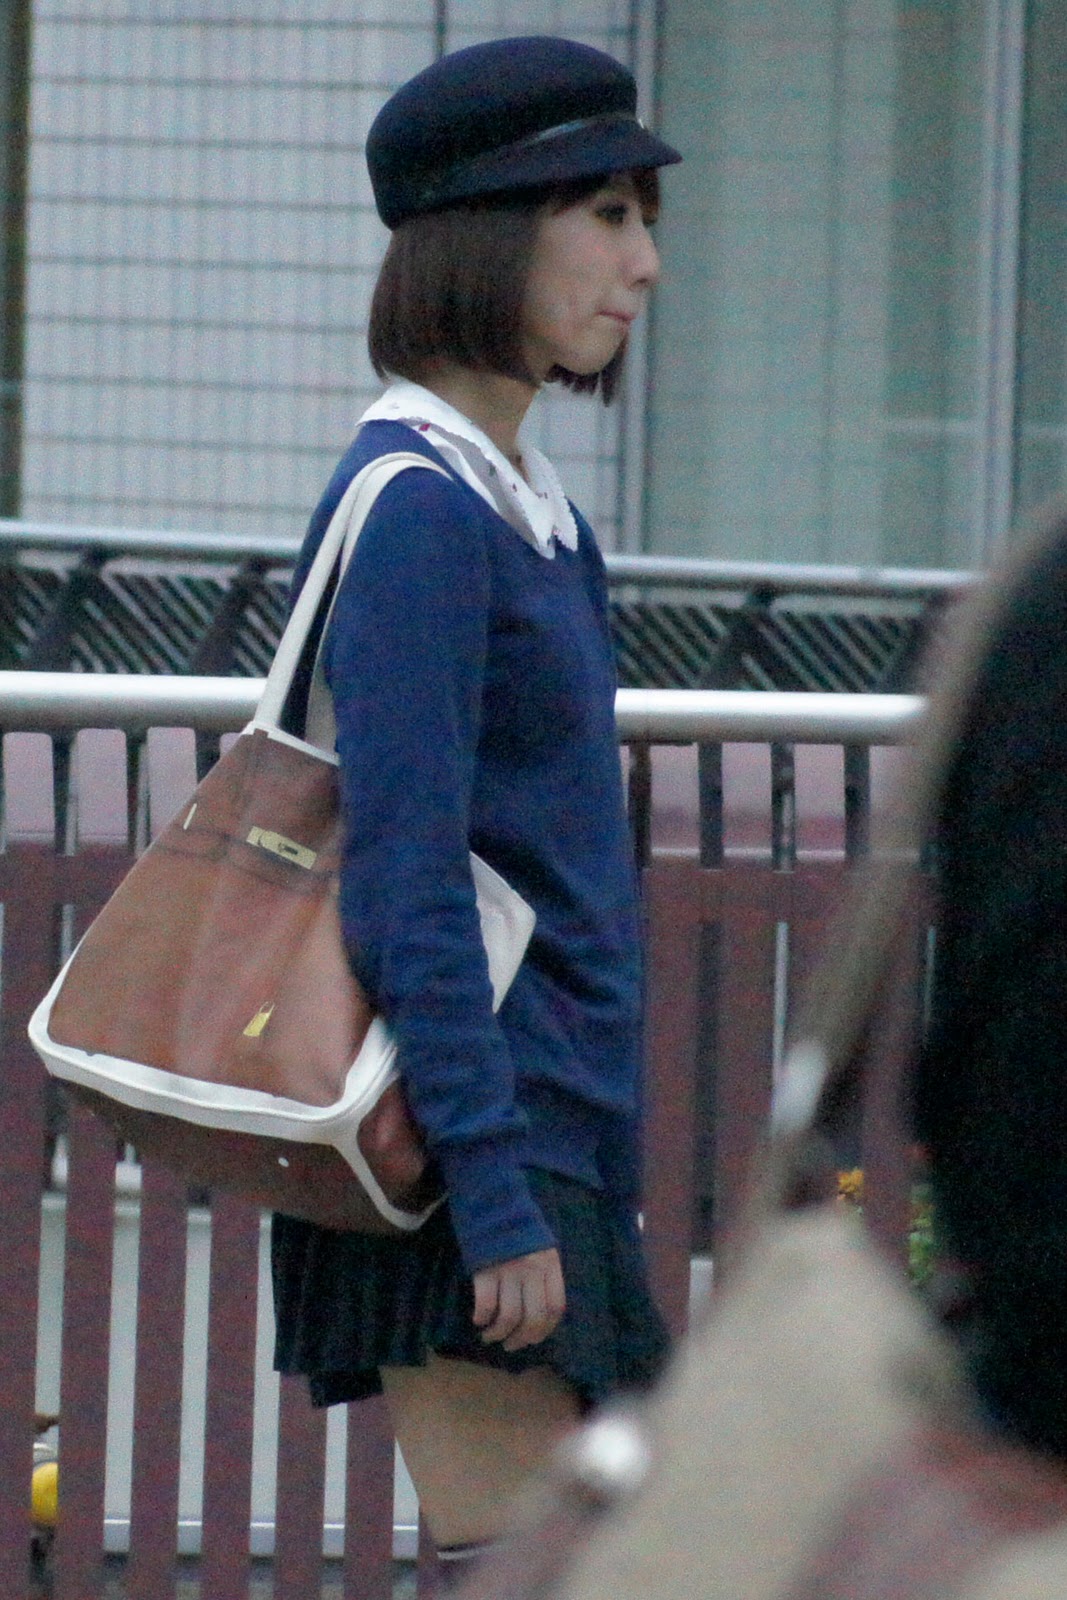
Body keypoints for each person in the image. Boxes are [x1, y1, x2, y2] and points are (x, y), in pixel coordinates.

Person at [269, 35, 682, 1587]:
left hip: (537, 1139)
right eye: (608, 215)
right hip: (459, 1153)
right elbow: (405, 873)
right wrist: (496, 1190)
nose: (644, 263)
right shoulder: (425, 508)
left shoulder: (531, 509)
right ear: (493, 232)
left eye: (645, 221)